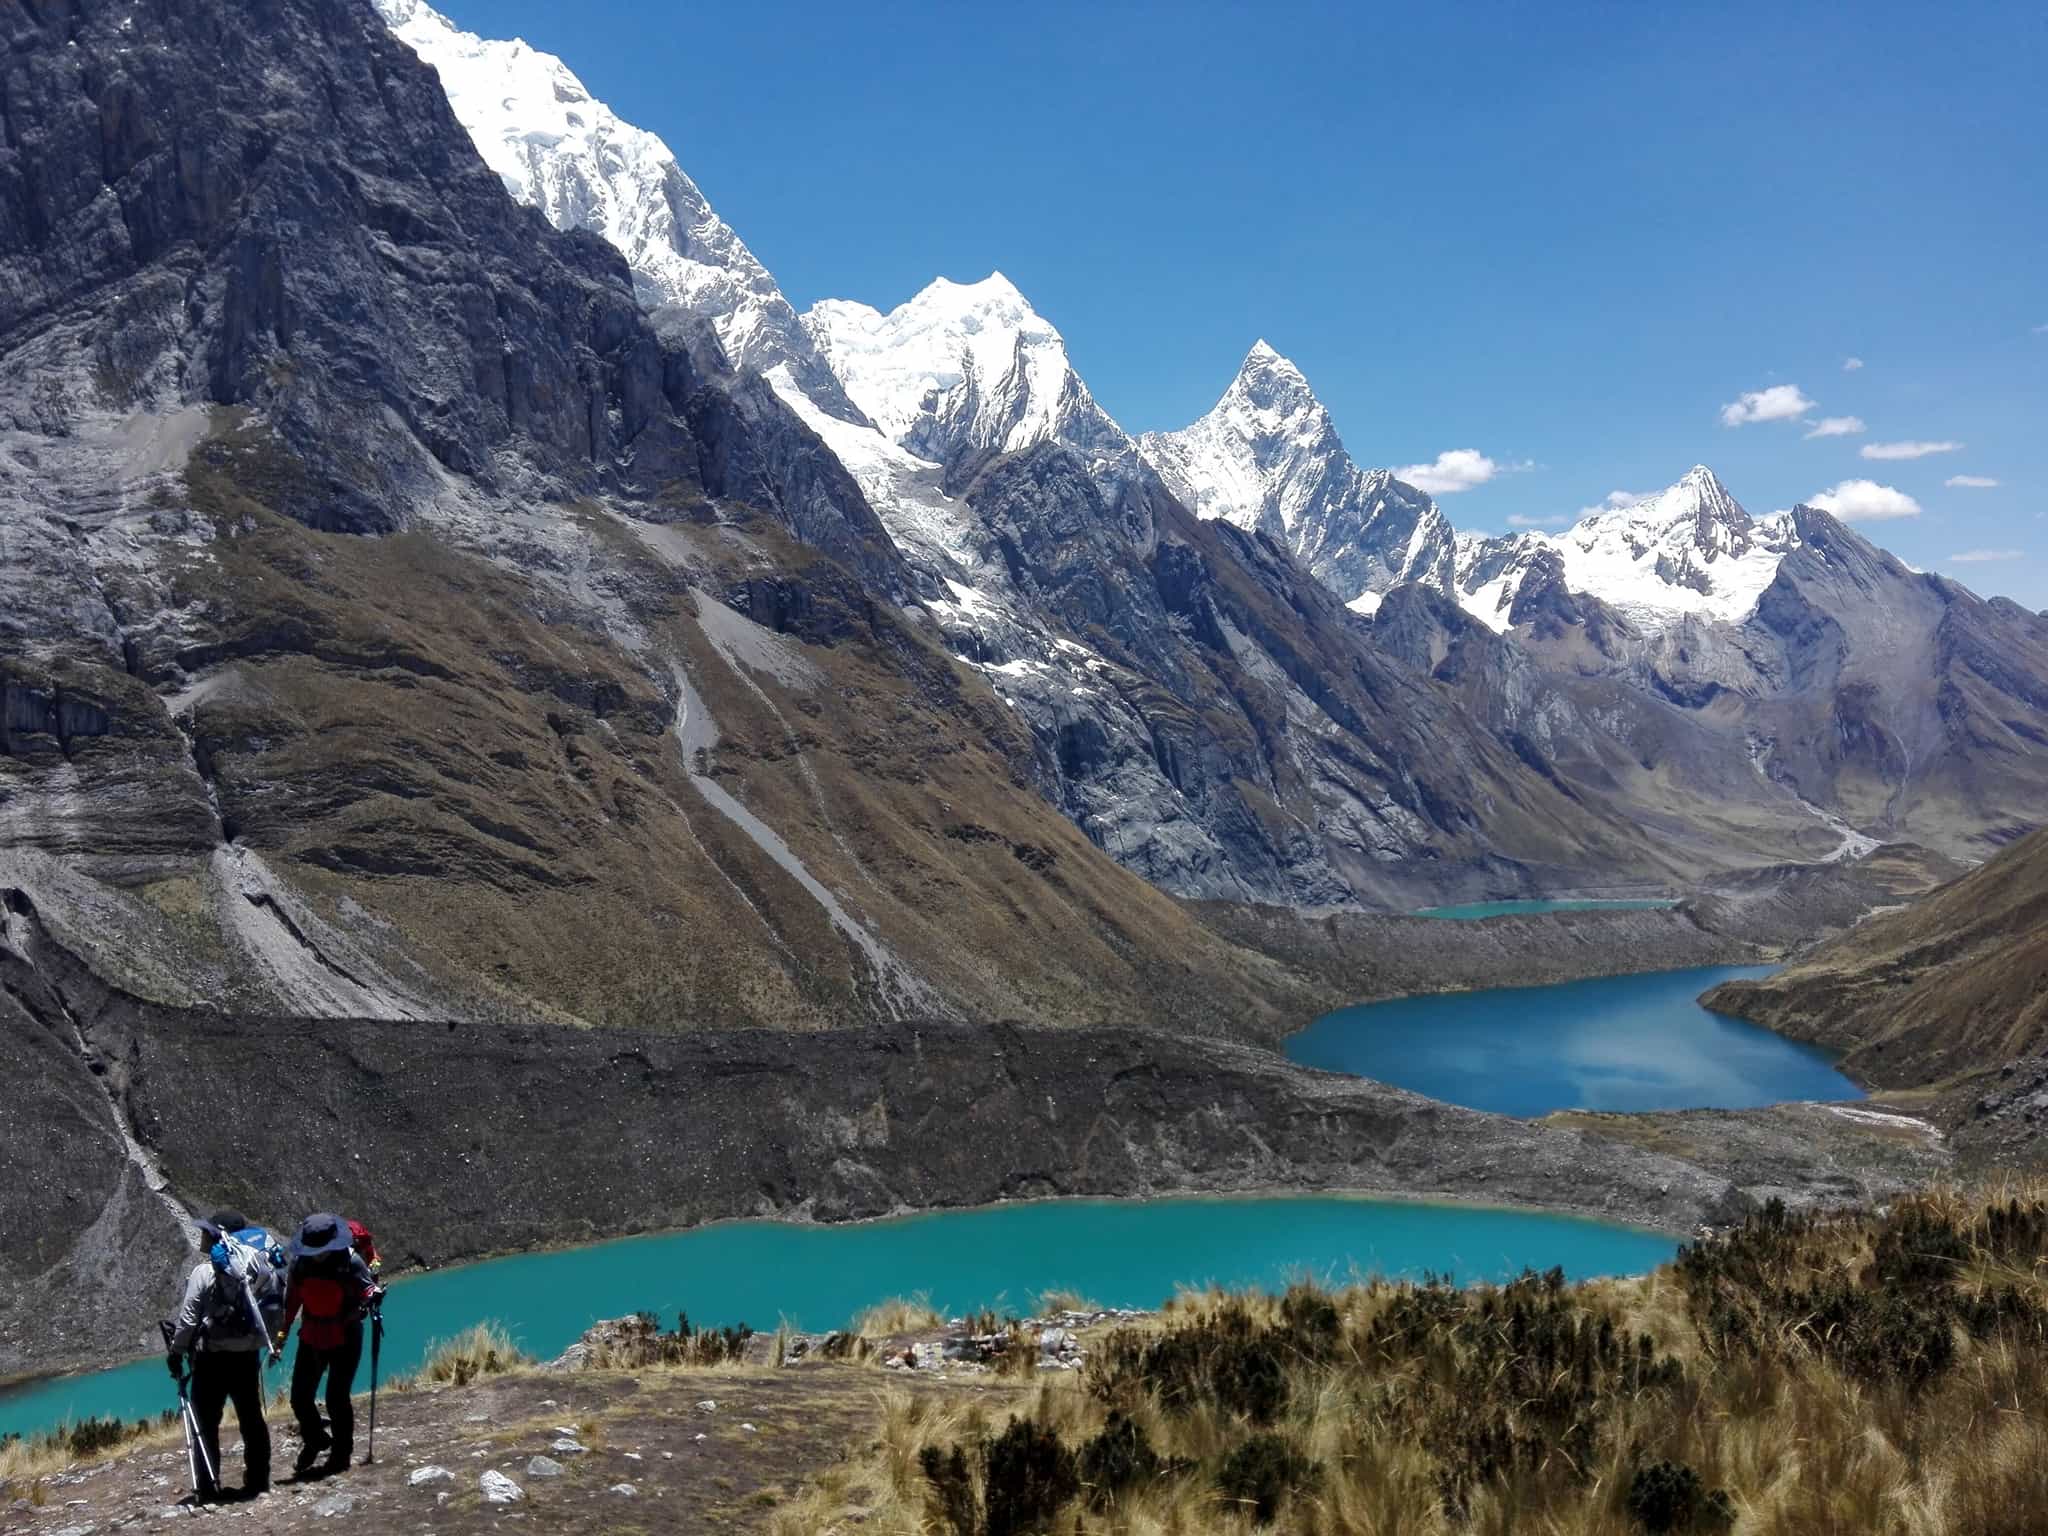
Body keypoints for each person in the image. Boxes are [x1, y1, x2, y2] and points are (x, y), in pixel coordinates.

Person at [165, 1209, 274, 1501]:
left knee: (205, 1422)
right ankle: (258, 1481)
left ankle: (208, 1485)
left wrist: (176, 1352)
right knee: (251, 1419)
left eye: (207, 1231)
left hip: (211, 1360)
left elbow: (188, 1322)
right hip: (247, 1357)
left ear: (217, 1234)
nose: (201, 1236)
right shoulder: (254, 1268)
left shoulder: (203, 1272)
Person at [282, 1212, 382, 1477]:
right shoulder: (299, 1266)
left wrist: (373, 1295)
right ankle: (316, 1439)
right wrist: (280, 1337)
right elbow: (291, 1302)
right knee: (300, 1397)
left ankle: (341, 1454)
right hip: (312, 1334)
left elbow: (367, 1289)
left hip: (345, 1334)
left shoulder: (351, 1261)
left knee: (336, 1397)